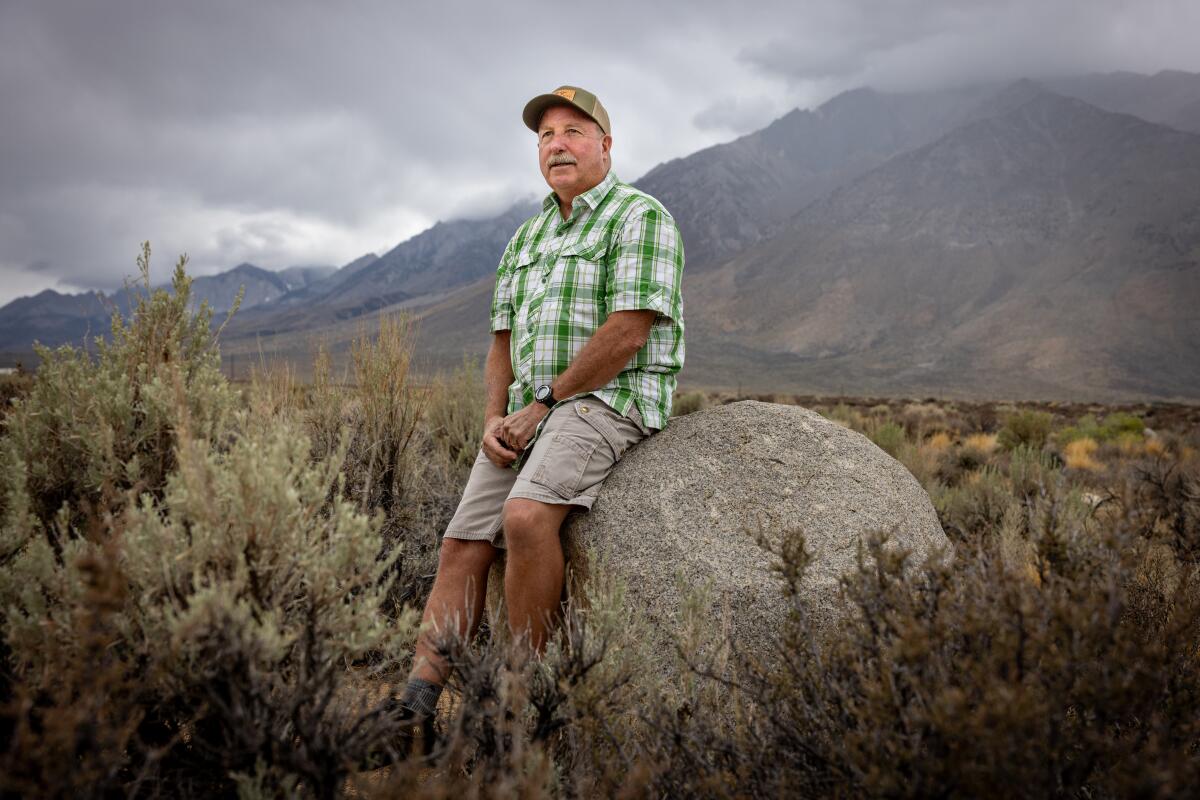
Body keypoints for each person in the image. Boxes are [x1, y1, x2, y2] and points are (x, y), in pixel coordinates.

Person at [394, 84, 685, 735]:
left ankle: (517, 702)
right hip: (531, 410)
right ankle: (414, 704)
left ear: (605, 145)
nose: (558, 145)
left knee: (525, 518)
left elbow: (627, 333)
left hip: (608, 398)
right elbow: (500, 342)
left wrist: (544, 402)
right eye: (546, 135)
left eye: (573, 132)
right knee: (462, 543)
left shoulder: (640, 217)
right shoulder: (526, 237)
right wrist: (493, 418)